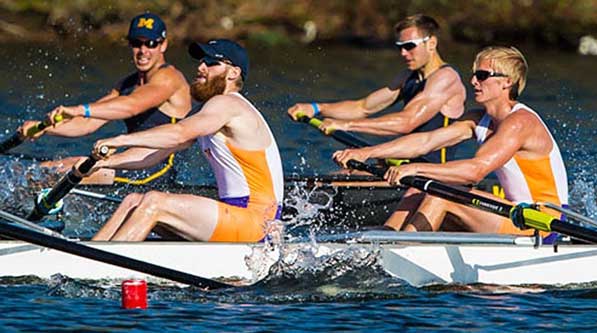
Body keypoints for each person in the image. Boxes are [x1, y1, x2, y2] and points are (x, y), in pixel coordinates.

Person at [333, 46, 568, 237]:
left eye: (483, 76)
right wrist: (368, 152)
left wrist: (413, 167)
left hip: (543, 221)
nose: (474, 81)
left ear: (507, 82)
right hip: (514, 213)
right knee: (419, 186)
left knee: (440, 192)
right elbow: (425, 141)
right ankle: (384, 239)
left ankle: (403, 251)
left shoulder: (520, 122)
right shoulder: (478, 119)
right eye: (474, 74)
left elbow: (475, 171)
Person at [89, 39, 284, 242]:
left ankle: (105, 267)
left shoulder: (229, 104)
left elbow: (178, 133)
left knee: (155, 202)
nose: (201, 67)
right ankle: (90, 255)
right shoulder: (207, 110)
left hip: (256, 222)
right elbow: (155, 152)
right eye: (201, 61)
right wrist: (103, 163)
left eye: (211, 62)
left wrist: (119, 140)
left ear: (233, 73)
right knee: (133, 201)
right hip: (238, 217)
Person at [19, 13, 191, 184]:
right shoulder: (126, 84)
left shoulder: (170, 78)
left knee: (54, 176)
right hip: (128, 162)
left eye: (151, 44)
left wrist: (78, 109)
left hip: (157, 171)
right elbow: (88, 122)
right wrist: (44, 128)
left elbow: (132, 106)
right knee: (42, 170)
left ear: (163, 45)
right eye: (137, 43)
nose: (143, 51)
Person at [287, 14, 465, 164]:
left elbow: (407, 122)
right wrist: (316, 108)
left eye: (410, 46)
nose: (403, 53)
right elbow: (363, 107)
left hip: (434, 172)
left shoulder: (446, 78)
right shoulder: (407, 77)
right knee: (331, 183)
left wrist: (346, 125)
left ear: (431, 44)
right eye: (401, 47)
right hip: (403, 162)